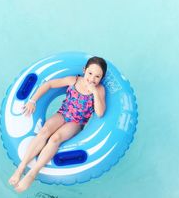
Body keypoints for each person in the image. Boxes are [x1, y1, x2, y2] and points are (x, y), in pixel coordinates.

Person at [8, 56, 107, 192]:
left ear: (101, 78)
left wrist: (95, 91)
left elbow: (100, 112)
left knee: (55, 138)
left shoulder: (100, 90)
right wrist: (33, 101)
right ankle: (20, 168)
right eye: (90, 73)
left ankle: (32, 173)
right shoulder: (74, 80)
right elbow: (49, 84)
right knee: (45, 131)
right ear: (84, 70)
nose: (92, 79)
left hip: (76, 122)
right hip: (62, 113)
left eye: (97, 76)